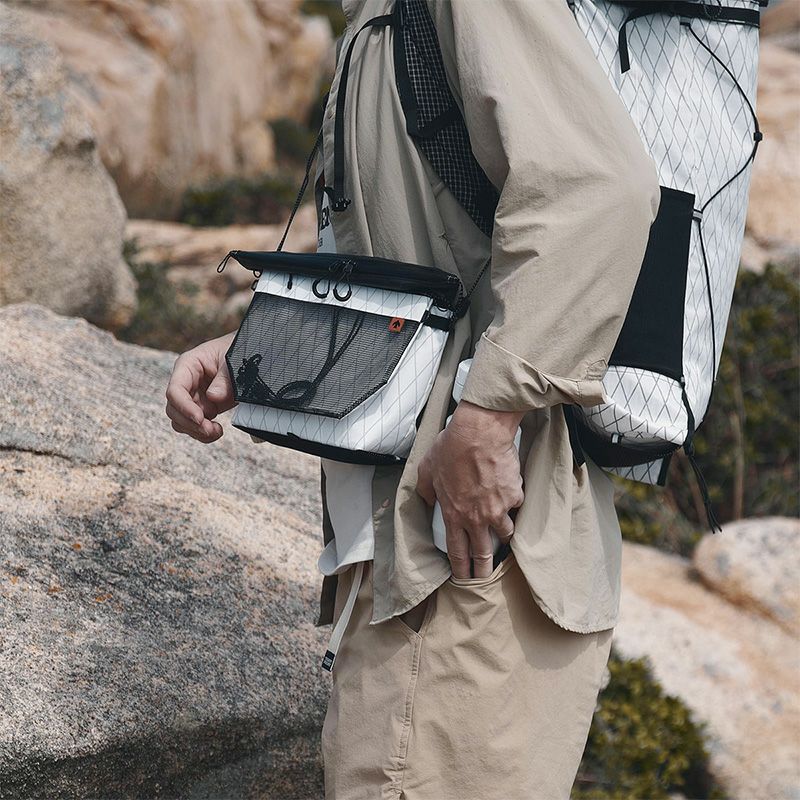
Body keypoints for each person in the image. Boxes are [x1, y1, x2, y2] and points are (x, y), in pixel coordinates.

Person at [165, 1, 660, 797]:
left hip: (466, 554)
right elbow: (410, 260)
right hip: (423, 553)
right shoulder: (382, 9)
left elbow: (599, 191)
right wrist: (258, 350)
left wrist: (489, 418)